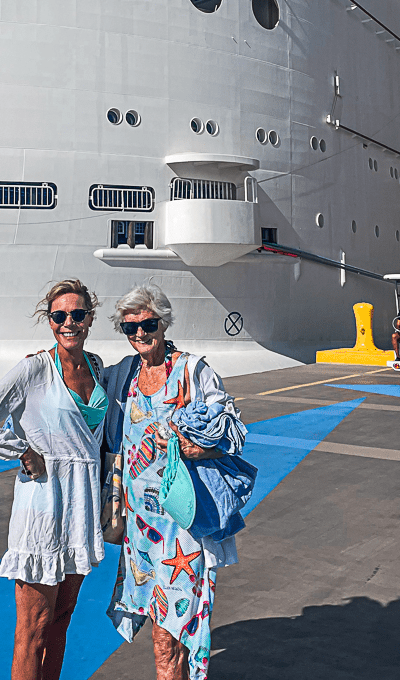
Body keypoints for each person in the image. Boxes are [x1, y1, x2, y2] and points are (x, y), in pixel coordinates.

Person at [0, 279, 108, 680]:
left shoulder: (97, 368)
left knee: (62, 617)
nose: (68, 323)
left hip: (82, 507)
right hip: (43, 507)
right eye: (59, 316)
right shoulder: (34, 369)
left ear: (90, 318)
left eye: (77, 315)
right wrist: (20, 451)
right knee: (33, 630)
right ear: (50, 321)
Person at [103, 284, 243, 680]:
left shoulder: (193, 371)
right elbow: (80, 374)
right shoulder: (125, 374)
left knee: (170, 636)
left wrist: (190, 447)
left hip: (182, 529)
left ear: (163, 323)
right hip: (140, 532)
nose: (140, 334)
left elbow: (235, 434)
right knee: (162, 633)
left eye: (148, 324)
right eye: (130, 328)